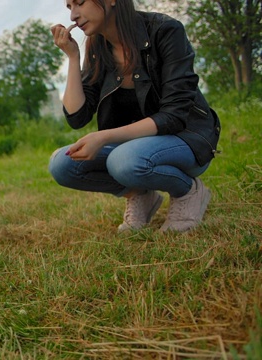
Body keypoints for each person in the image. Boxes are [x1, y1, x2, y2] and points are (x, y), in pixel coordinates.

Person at [49, 0, 220, 232]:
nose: (73, 16)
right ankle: (140, 194)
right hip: (133, 148)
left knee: (123, 161)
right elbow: (77, 117)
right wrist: (72, 58)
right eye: (69, 7)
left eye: (79, 3)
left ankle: (188, 191)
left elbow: (174, 116)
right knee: (63, 165)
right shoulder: (98, 48)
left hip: (187, 137)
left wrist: (105, 137)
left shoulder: (165, 30)